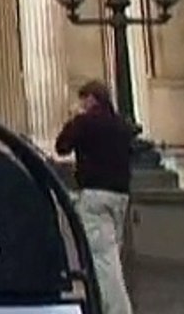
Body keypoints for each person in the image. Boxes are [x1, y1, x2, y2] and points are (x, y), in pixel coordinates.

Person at [56, 80, 135, 314]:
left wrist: (73, 120)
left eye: (83, 99)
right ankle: (103, 305)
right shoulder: (121, 124)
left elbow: (62, 146)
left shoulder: (86, 122)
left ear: (91, 99)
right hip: (120, 196)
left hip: (95, 196)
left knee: (102, 259)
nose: (81, 104)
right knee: (110, 255)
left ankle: (116, 310)